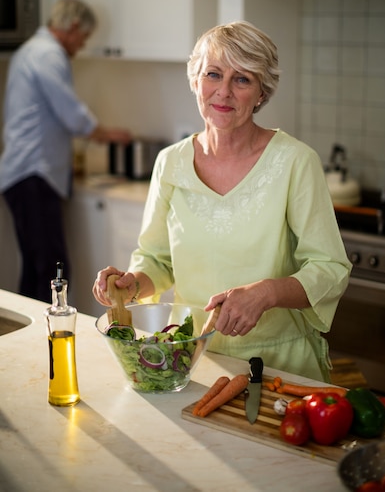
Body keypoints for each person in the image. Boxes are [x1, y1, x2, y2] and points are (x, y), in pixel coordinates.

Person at [92, 21, 351, 382]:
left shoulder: (295, 162)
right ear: (196, 82)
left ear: (262, 92)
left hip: (278, 366)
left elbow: (330, 269)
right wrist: (131, 284)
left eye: (242, 79)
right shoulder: (170, 162)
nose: (223, 92)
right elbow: (157, 259)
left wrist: (266, 293)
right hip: (189, 359)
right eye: (213, 74)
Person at [0, 0, 132, 302]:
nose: (81, 45)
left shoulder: (30, 50)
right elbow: (70, 111)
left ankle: (31, 341)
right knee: (53, 272)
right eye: (83, 37)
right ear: (73, 27)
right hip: (33, 173)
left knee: (37, 270)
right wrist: (104, 134)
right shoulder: (48, 54)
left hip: (24, 173)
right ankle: (49, 340)